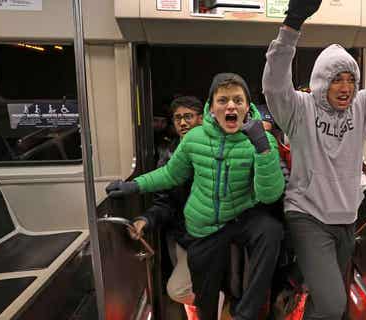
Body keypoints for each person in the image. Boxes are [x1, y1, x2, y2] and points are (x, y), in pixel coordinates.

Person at [261, 0, 366, 318]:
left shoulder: (363, 107)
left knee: (327, 302)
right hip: (307, 217)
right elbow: (274, 82)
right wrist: (292, 24)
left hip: (346, 220)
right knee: (334, 306)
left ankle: (296, 294)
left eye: (350, 79)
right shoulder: (299, 109)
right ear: (321, 81)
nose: (345, 87)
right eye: (336, 79)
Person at [107, 72, 285, 320]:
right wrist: (134, 186)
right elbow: (170, 175)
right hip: (206, 223)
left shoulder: (262, 140)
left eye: (238, 100)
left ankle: (246, 313)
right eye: (223, 100)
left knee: (271, 230)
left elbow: (270, 194)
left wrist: (262, 148)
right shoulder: (193, 139)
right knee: (205, 295)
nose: (231, 105)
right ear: (211, 108)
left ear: (247, 106)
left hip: (241, 215)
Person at [127, 96, 203, 316]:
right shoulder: (169, 154)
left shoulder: (217, 147)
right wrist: (146, 219)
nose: (182, 122)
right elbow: (165, 201)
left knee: (181, 289)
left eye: (188, 116)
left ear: (202, 118)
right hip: (180, 233)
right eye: (178, 118)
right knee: (186, 293)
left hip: (210, 235)